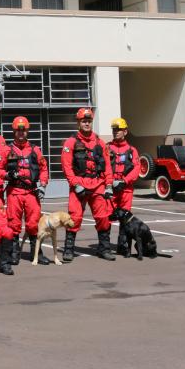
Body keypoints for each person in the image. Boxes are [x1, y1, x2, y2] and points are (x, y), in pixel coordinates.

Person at [61, 108, 115, 262]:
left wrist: (109, 185)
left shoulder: (100, 142)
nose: (86, 123)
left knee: (103, 217)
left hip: (97, 184)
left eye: (89, 121)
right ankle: (69, 249)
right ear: (78, 122)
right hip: (79, 184)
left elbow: (107, 167)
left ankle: (104, 248)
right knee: (74, 217)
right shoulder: (71, 142)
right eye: (84, 121)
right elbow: (66, 166)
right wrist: (74, 183)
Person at [0, 116, 50, 266]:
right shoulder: (7, 150)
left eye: (24, 130)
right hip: (15, 191)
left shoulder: (35, 150)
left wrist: (43, 184)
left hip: (32, 192)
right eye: (18, 130)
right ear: (14, 131)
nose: (21, 133)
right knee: (13, 224)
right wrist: (7, 175)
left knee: (33, 224)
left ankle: (37, 253)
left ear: (27, 131)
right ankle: (14, 252)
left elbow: (44, 169)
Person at [108, 117, 140, 255]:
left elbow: (136, 169)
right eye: (114, 130)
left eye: (118, 130)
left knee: (125, 220)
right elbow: (101, 166)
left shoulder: (132, 150)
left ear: (125, 131)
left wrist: (124, 181)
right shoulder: (107, 147)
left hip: (126, 189)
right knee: (106, 217)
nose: (116, 132)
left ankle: (123, 246)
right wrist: (108, 183)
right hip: (110, 188)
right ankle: (104, 245)